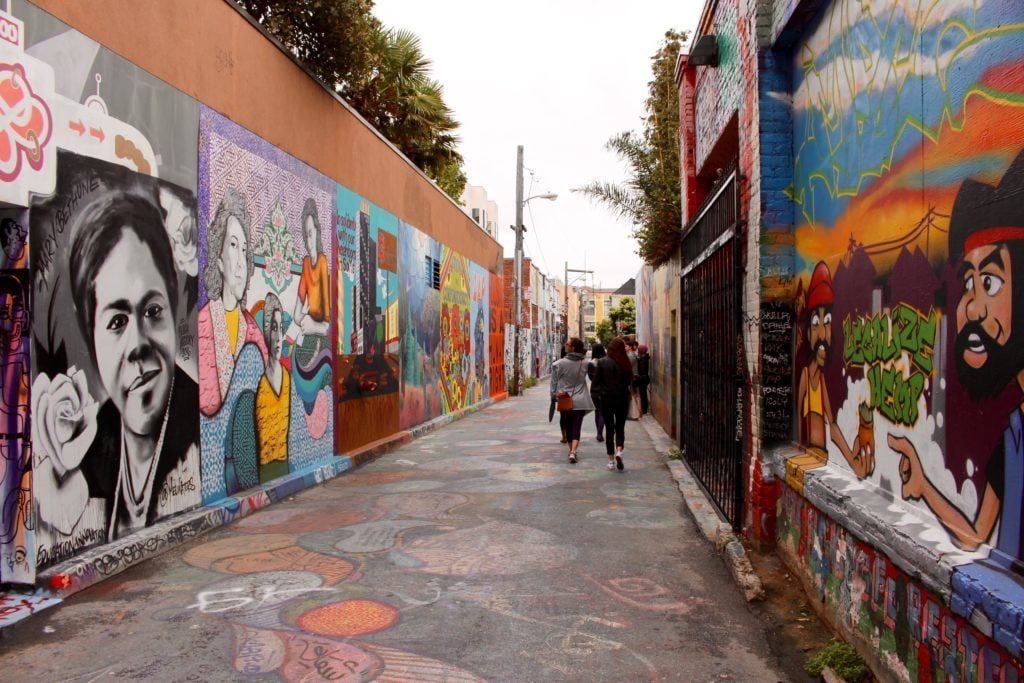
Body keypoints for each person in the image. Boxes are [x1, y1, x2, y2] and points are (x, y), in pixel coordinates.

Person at [65, 190, 199, 540]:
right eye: (116, 322)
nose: (138, 343)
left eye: (152, 311)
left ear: (172, 306)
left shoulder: (199, 430)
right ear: (90, 336)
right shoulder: (89, 451)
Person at [198, 188, 268, 416]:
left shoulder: (252, 330)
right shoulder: (204, 324)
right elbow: (208, 404)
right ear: (218, 259)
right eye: (234, 245)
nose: (240, 263)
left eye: (245, 250)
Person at [795, 261, 866, 476]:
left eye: (827, 322)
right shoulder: (806, 376)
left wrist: (852, 461)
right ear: (808, 333)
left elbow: (833, 426)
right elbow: (799, 416)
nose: (823, 334)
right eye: (816, 323)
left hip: (821, 458)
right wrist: (798, 452)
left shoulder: (823, 380)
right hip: (808, 455)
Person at [255, 292, 290, 482]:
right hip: (264, 468)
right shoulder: (260, 383)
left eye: (281, 328)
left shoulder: (288, 379)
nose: (278, 337)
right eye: (273, 328)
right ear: (267, 332)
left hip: (284, 463)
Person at [591, 337, 633, 471]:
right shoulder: (625, 362)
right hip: (622, 399)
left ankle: (611, 460)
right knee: (620, 427)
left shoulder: (602, 362)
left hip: (607, 399)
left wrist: (599, 395)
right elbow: (630, 382)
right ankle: (619, 451)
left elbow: (595, 385)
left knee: (610, 429)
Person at [550, 337, 594, 464]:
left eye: (567, 344)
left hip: (565, 399)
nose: (565, 345)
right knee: (577, 426)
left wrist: (553, 396)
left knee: (568, 426)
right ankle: (573, 451)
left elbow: (554, 384)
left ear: (573, 348)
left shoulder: (558, 364)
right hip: (581, 400)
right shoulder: (585, 363)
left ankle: (571, 451)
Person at [587, 343, 607, 442]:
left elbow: (591, 378)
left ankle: (599, 433)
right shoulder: (607, 361)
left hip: (594, 390)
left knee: (597, 412)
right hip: (605, 390)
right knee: (603, 412)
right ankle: (600, 433)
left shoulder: (591, 363)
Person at [635, 344, 651, 415]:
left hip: (642, 379)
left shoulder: (643, 358)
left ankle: (644, 409)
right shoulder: (644, 357)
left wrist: (638, 360)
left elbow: (642, 369)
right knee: (643, 394)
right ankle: (644, 408)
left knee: (643, 394)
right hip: (643, 378)